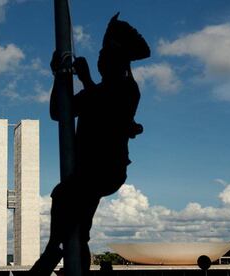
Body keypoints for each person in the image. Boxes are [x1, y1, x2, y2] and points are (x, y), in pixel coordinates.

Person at [29, 13, 150, 276]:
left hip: (105, 170)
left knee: (62, 195)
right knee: (79, 231)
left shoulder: (128, 89)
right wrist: (58, 77)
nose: (99, 60)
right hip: (88, 171)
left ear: (117, 63)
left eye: (105, 56)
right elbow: (58, 112)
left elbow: (111, 113)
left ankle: (51, 250)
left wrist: (84, 80)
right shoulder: (97, 90)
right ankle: (65, 259)